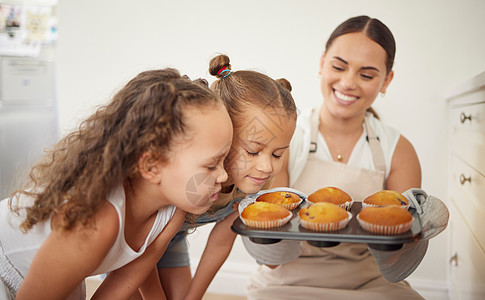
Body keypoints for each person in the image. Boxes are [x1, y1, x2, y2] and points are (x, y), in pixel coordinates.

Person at [242, 15, 447, 299]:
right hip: (286, 279)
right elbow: (273, 259)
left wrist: (415, 236)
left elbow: (395, 268)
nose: (348, 82)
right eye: (338, 67)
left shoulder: (398, 149)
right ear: (322, 63)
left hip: (373, 281)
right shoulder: (287, 142)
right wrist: (258, 230)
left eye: (366, 74)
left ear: (386, 80)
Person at [0, 68, 234, 300]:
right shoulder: (96, 222)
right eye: (212, 165)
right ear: (151, 166)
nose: (224, 176)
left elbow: (126, 279)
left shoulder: (174, 213)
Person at [138, 54, 298, 299]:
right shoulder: (192, 178)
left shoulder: (252, 182)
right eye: (253, 151)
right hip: (133, 245)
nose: (266, 167)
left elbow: (221, 241)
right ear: (224, 133)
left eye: (277, 155)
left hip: (172, 239)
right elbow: (143, 247)